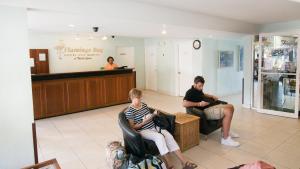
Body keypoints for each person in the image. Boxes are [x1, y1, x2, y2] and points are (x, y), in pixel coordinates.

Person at [125, 88, 197, 169]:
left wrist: (153, 115)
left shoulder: (144, 105)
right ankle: (169, 165)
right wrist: (144, 122)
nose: (140, 99)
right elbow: (132, 127)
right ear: (132, 98)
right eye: (138, 98)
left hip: (154, 126)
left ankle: (184, 163)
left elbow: (149, 116)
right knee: (160, 137)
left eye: (141, 97)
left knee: (169, 136)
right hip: (143, 130)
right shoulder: (130, 111)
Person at [182, 76, 240, 147]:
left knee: (231, 106)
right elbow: (184, 104)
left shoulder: (198, 90)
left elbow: (202, 94)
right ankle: (225, 139)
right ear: (195, 83)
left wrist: (211, 96)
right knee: (228, 111)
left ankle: (225, 131)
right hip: (205, 111)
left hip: (210, 107)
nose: (201, 88)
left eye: (202, 86)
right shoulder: (190, 92)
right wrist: (199, 104)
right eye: (200, 86)